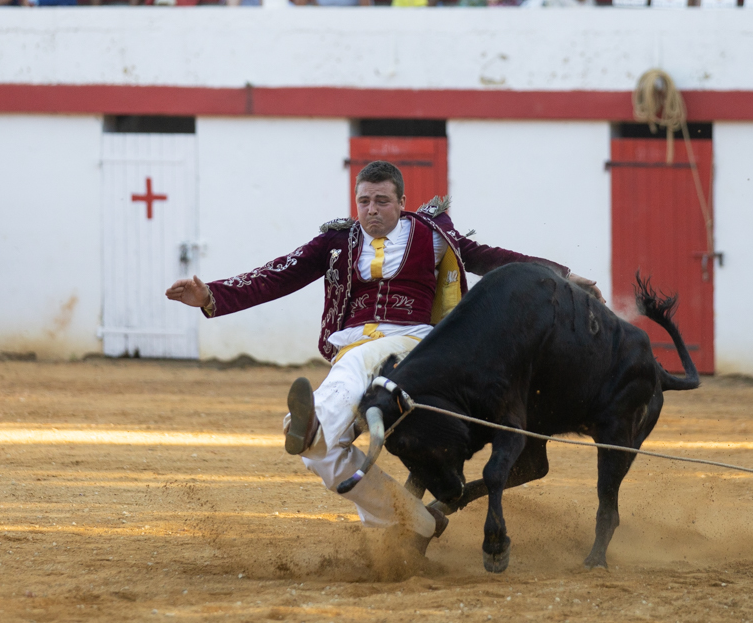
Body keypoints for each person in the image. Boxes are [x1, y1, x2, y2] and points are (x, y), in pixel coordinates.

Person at [164, 161, 603, 554]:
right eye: (364, 201)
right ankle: (417, 521)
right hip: (354, 347)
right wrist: (211, 296)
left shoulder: (432, 233)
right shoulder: (337, 241)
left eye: (382, 201)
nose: (371, 209)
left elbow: (497, 261)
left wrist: (563, 276)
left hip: (415, 347)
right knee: (319, 454)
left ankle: (309, 420)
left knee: (346, 378)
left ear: (401, 202)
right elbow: (280, 274)